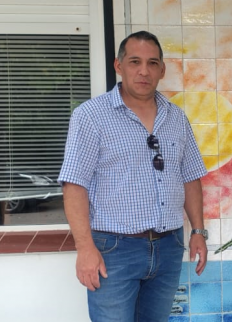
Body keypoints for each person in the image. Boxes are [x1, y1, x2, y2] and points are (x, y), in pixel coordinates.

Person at [59, 31, 208, 322]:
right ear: (119, 65)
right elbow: (74, 185)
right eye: (135, 62)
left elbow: (190, 177)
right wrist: (85, 248)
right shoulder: (91, 116)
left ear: (162, 70)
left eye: (152, 63)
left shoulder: (176, 117)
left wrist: (198, 233)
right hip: (114, 250)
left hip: (168, 247)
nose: (144, 71)